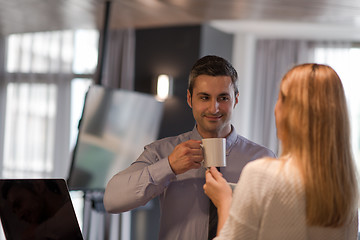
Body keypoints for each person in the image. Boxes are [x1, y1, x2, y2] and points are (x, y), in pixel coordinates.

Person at [103, 55, 276, 239]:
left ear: (236, 100)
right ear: (189, 99)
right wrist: (168, 166)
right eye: (204, 97)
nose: (214, 108)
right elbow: (112, 200)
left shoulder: (262, 159)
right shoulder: (162, 152)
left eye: (223, 98)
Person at [204, 63, 359, 239]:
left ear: (289, 112)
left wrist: (225, 202)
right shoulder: (346, 192)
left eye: (279, 98)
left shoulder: (262, 175)